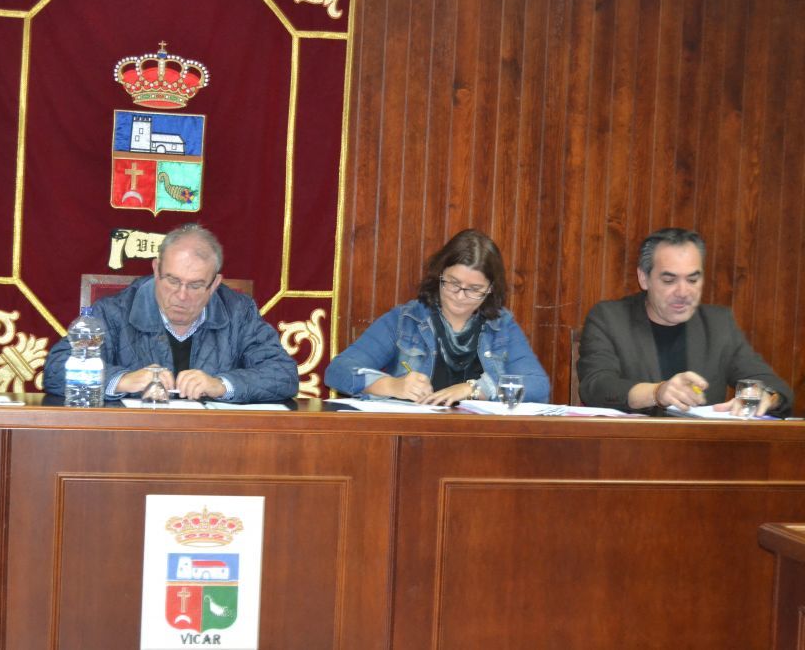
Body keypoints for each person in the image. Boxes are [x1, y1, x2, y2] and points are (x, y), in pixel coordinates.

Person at [43, 223, 299, 402]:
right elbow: (55, 371)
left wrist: (222, 385)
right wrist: (123, 380)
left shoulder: (239, 313)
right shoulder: (114, 312)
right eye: (172, 280)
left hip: (215, 449)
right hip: (131, 449)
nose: (182, 295)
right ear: (156, 270)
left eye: (196, 285)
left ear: (215, 284)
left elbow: (283, 375)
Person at [577, 227, 793, 416]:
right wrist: (656, 393)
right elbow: (596, 386)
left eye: (693, 279)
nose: (683, 292)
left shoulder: (718, 324)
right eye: (669, 280)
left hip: (701, 452)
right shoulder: (610, 318)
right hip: (628, 451)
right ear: (644, 278)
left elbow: (774, 387)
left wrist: (765, 398)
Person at [324, 229, 550, 404]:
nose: (460, 296)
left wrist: (473, 389)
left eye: (474, 289)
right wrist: (392, 385)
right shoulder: (405, 321)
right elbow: (338, 371)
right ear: (439, 275)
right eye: (453, 283)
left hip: (485, 441)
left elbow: (538, 385)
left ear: (491, 288)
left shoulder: (502, 327)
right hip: (415, 438)